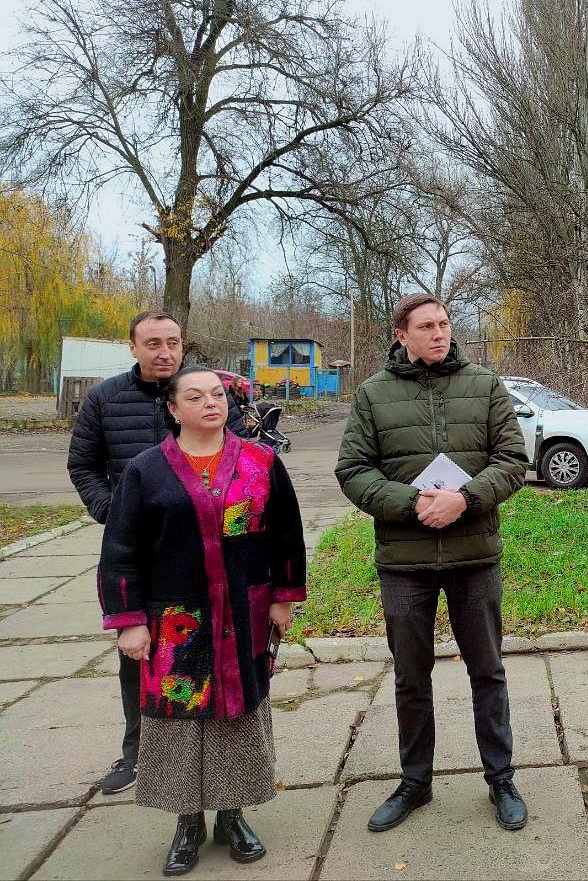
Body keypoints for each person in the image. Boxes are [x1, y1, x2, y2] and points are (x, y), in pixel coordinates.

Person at [98, 367, 306, 876]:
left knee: (237, 713)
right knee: (180, 722)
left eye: (216, 395)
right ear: (172, 409)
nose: (210, 404)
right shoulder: (146, 471)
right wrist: (128, 619)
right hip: (175, 620)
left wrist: (284, 597)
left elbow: (285, 534)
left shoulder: (259, 462)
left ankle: (231, 815)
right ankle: (187, 823)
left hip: (242, 612)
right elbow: (121, 549)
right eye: (195, 397)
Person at [335, 292, 529, 833]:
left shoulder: (485, 386)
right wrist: (412, 504)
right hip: (405, 562)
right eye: (426, 326)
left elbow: (513, 460)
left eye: (444, 323)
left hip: (474, 556)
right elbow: (353, 470)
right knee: (410, 678)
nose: (439, 333)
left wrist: (464, 499)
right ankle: (415, 782)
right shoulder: (373, 394)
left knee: (487, 672)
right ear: (402, 334)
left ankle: (501, 778)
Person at [67, 310, 249, 796]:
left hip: (207, 545)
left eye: (172, 342)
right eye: (153, 344)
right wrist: (114, 510)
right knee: (139, 652)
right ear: (133, 348)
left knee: (209, 649)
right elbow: (83, 463)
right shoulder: (106, 399)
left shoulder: (209, 392)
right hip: (141, 551)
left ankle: (216, 755)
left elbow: (243, 458)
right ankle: (138, 752)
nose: (164, 352)